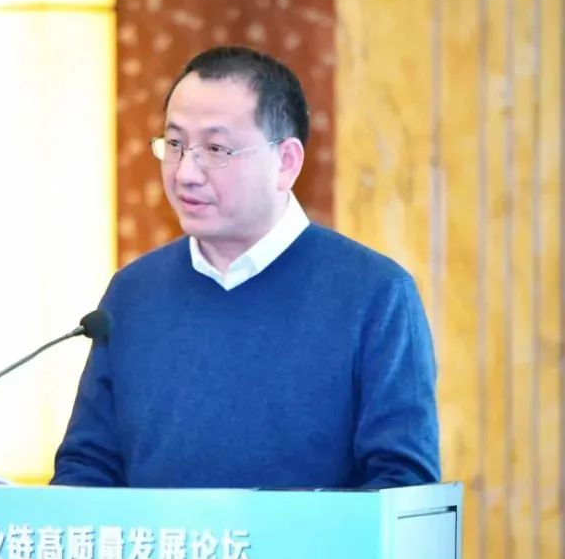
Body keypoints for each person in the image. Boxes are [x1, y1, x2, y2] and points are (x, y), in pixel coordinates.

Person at [52, 45, 440, 494]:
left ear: (286, 162)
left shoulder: (375, 294)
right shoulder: (133, 293)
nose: (186, 173)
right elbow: (87, 467)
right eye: (175, 144)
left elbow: (401, 488)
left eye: (216, 149)